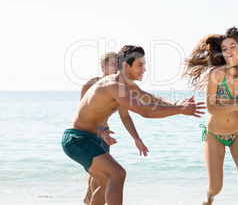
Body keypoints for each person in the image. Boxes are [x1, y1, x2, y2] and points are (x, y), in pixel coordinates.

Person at [62, 45, 206, 205]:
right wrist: (180, 109)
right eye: (140, 65)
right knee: (118, 174)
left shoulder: (126, 85)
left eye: (144, 64)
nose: (144, 69)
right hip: (78, 139)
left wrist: (177, 103)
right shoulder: (113, 86)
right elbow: (144, 111)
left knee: (105, 184)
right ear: (125, 65)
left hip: (89, 138)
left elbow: (147, 97)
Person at [183, 27, 238, 205]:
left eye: (232, 46)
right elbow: (211, 108)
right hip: (214, 136)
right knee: (216, 188)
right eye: (225, 48)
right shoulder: (216, 74)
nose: (228, 51)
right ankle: (208, 197)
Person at [82, 52, 149, 204]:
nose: (115, 68)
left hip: (104, 135)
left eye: (117, 65)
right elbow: (83, 112)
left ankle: (88, 200)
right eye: (113, 64)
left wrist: (136, 139)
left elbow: (125, 115)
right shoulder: (90, 84)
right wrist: (99, 131)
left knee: (99, 176)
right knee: (101, 176)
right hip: (88, 135)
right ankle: (88, 200)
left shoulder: (118, 87)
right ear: (102, 66)